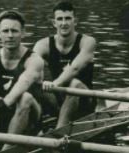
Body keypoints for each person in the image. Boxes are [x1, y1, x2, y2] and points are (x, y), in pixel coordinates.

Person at [0, 10, 44, 148]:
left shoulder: (34, 60)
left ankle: (6, 151)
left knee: (25, 97)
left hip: (31, 116)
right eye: (5, 31)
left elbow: (24, 81)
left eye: (14, 31)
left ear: (23, 33)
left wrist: (4, 102)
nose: (10, 35)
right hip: (3, 114)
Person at [33, 1, 96, 129]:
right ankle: (32, 128)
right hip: (59, 100)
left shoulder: (87, 42)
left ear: (75, 21)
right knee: (31, 84)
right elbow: (31, 67)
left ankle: (59, 131)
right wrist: (39, 80)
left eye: (68, 18)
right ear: (54, 22)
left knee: (74, 84)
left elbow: (75, 68)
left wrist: (55, 83)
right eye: (59, 19)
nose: (64, 23)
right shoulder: (42, 45)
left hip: (85, 102)